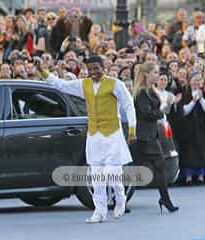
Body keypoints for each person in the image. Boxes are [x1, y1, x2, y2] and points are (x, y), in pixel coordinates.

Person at [37, 55, 137, 223]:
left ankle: (120, 198)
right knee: (96, 174)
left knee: (111, 173)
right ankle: (100, 211)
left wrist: (132, 129)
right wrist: (43, 71)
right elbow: (61, 85)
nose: (93, 72)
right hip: (94, 134)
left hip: (112, 133)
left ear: (103, 67)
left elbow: (129, 105)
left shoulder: (115, 84)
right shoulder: (84, 84)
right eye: (90, 69)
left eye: (96, 68)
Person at [132, 63, 179, 213]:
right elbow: (148, 114)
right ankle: (118, 199)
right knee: (132, 169)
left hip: (151, 135)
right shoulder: (141, 93)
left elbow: (156, 112)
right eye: (155, 72)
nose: (157, 75)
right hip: (144, 137)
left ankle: (165, 199)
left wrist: (165, 107)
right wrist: (165, 107)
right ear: (146, 74)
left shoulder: (150, 91)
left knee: (158, 166)